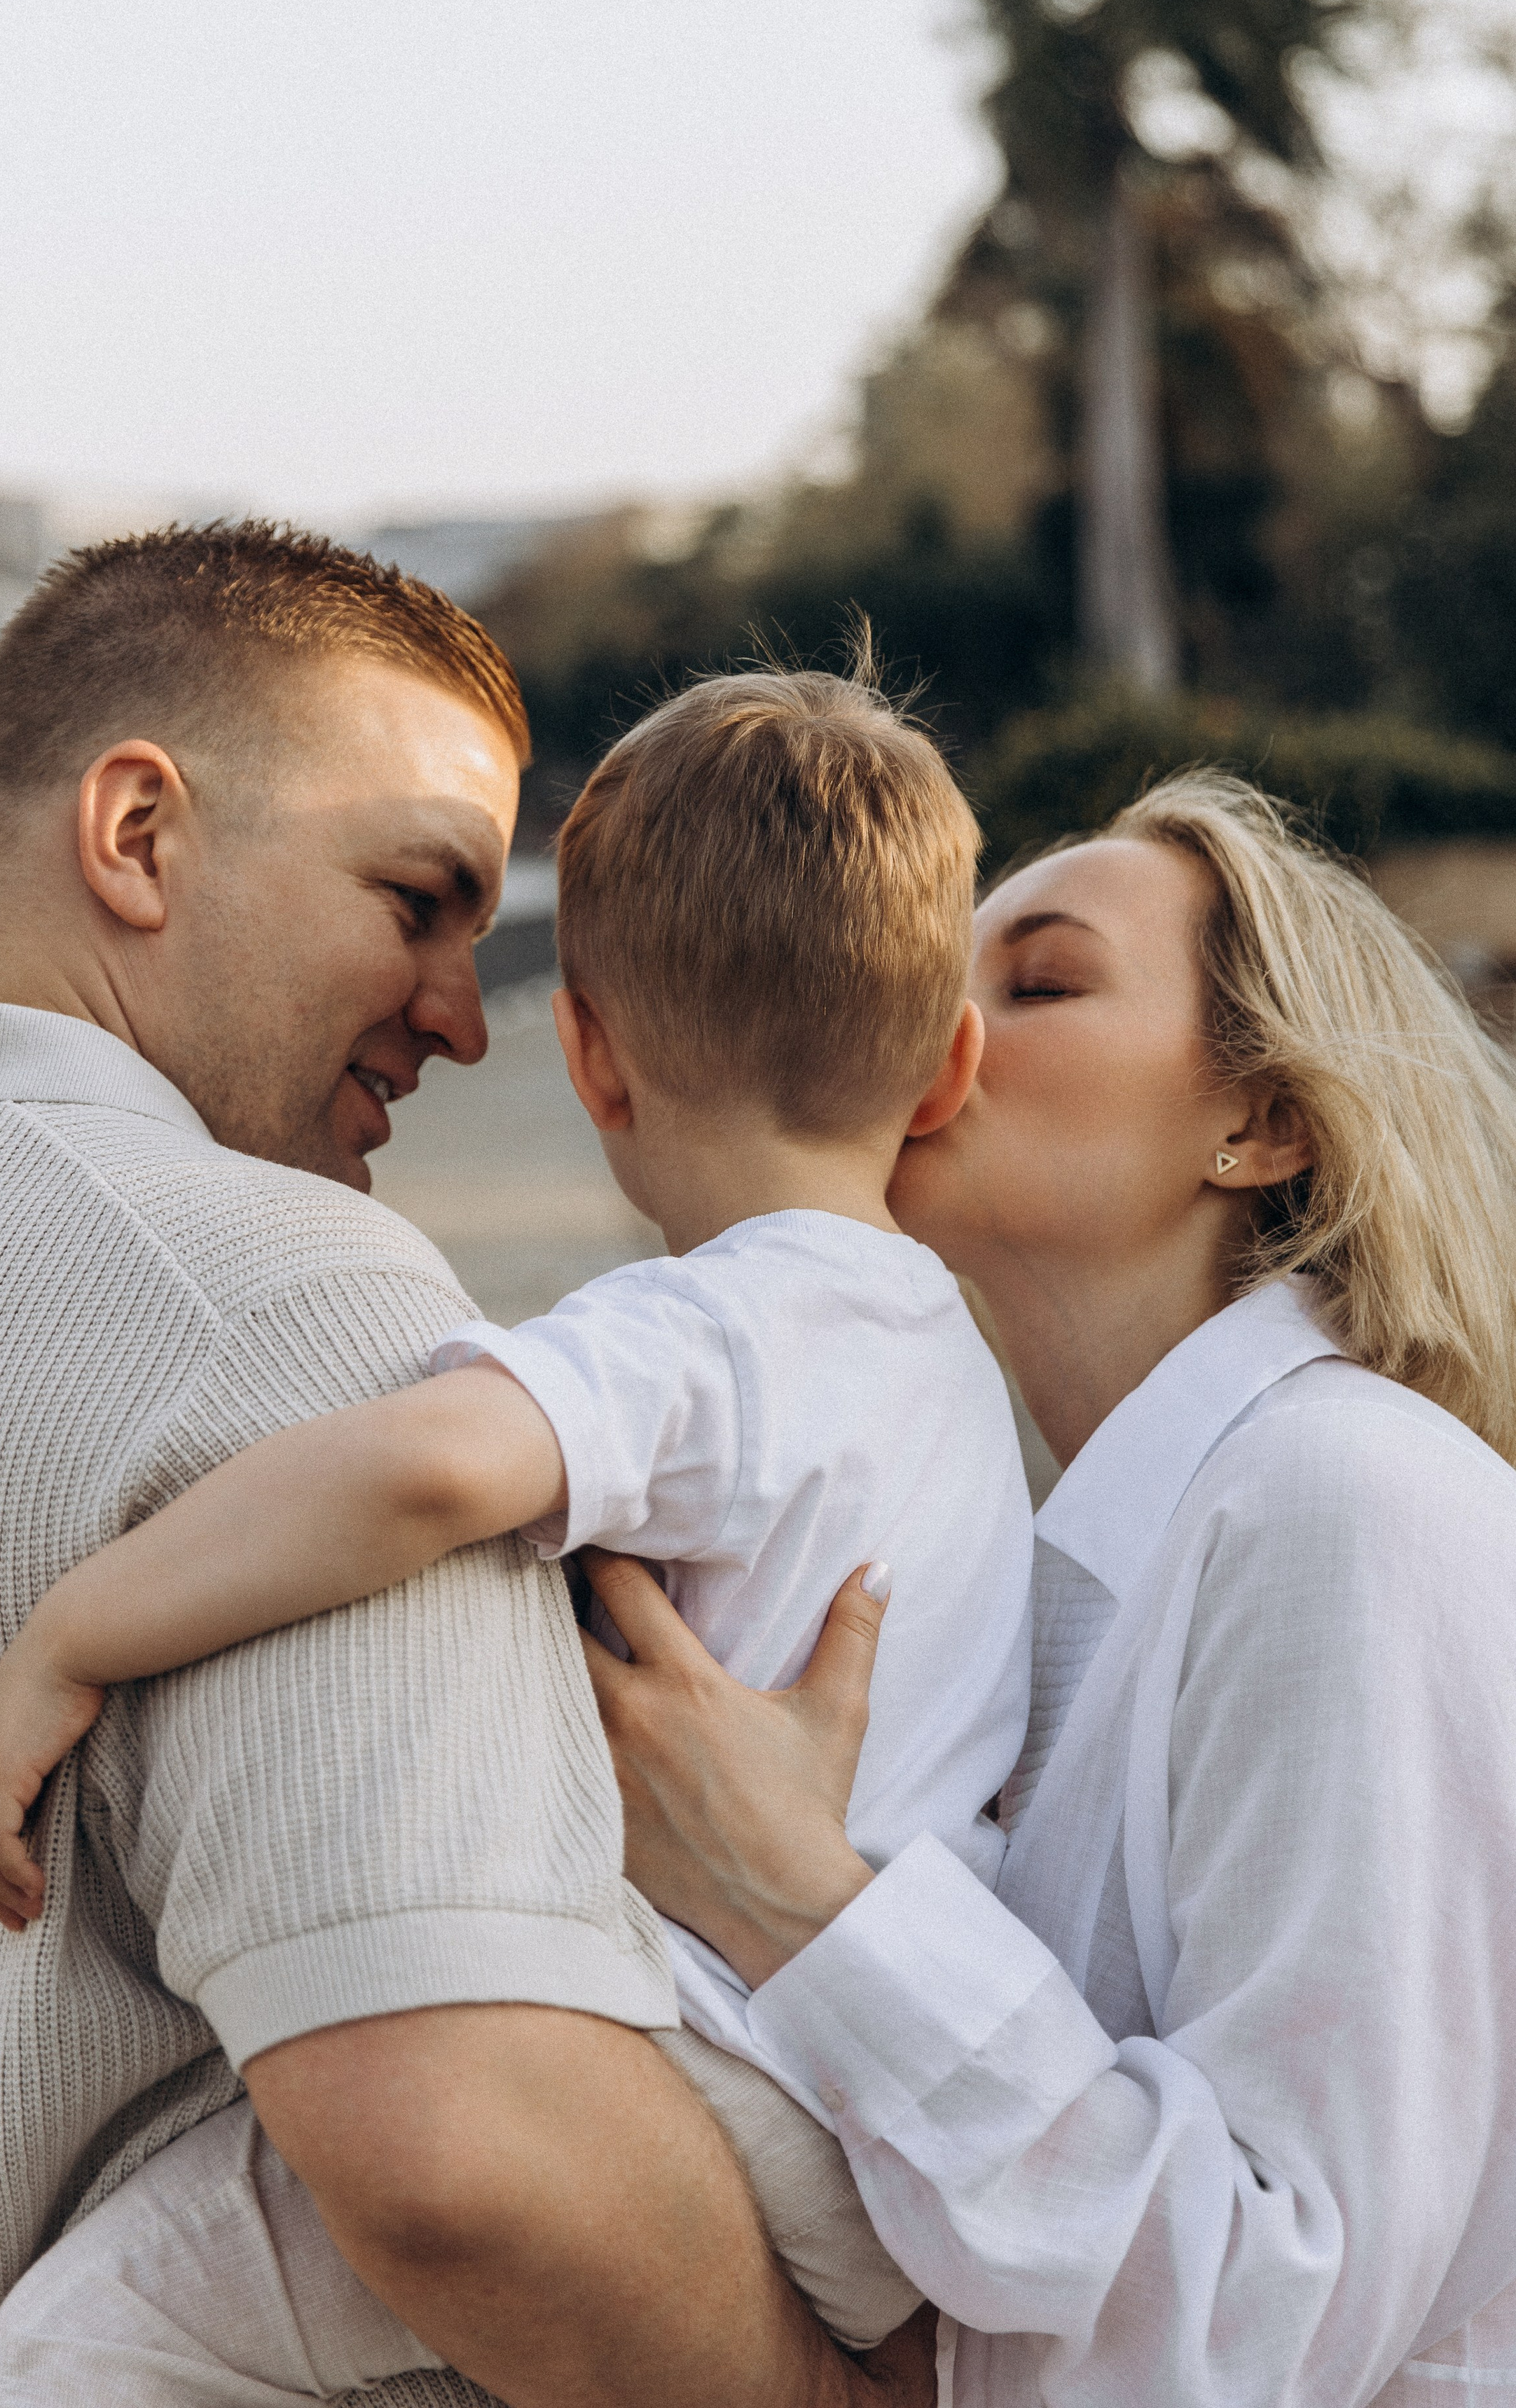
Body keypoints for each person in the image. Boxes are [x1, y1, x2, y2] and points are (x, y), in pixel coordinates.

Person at [0, 525, 916, 2408]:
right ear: (137, 837)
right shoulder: (290, 1306)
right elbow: (465, 2156)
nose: (463, 1008)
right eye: (418, 899)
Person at [0, 670, 1034, 2391]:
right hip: (890, 2102)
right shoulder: (954, 1362)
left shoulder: (715, 1330)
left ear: (587, 1053)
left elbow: (425, 1472)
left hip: (712, 2065)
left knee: (96, 2334)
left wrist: (79, 1631)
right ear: (948, 1060)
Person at [581, 769, 1516, 2404]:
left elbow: (1266, 2321)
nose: (935, 1027)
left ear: (1260, 1121)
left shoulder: (1345, 1499)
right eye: (933, 972)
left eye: (1039, 983)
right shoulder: (1053, 1574)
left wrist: (796, 1895)